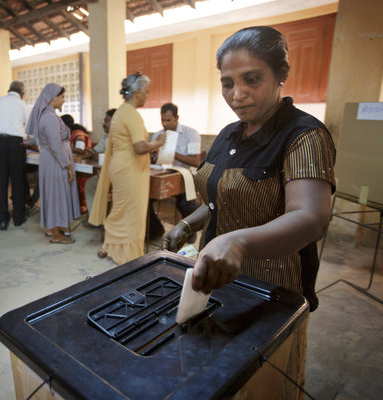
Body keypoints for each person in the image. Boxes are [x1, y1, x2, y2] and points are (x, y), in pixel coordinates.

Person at [162, 26, 336, 397]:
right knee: (220, 377)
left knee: (264, 379)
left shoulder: (304, 135)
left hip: (273, 285)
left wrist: (238, 243)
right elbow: (219, 199)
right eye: (227, 83)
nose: (237, 94)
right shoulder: (228, 134)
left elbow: (311, 218)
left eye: (251, 80)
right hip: (220, 280)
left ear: (280, 75)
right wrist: (187, 224)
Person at [88, 73, 166, 264]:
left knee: (120, 209)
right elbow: (140, 147)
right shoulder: (131, 114)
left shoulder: (120, 112)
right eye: (146, 91)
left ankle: (109, 245)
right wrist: (158, 142)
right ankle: (128, 255)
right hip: (129, 168)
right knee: (132, 213)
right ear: (138, 91)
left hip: (121, 166)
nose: (147, 96)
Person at [26, 83, 79, 244]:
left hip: (52, 160)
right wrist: (67, 165)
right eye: (62, 97)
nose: (63, 100)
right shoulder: (49, 117)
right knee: (56, 195)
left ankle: (53, 227)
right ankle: (56, 234)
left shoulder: (48, 115)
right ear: (53, 97)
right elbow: (55, 145)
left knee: (53, 193)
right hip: (55, 162)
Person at [148, 102, 202, 242]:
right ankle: (156, 229)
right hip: (164, 175)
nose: (165, 124)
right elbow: (153, 162)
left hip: (185, 177)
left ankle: (189, 234)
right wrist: (153, 155)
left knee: (186, 203)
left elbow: (196, 161)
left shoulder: (191, 134)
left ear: (177, 118)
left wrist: (171, 152)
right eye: (163, 120)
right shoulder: (158, 135)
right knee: (144, 198)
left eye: (168, 120)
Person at [0, 81, 28, 231]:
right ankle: (18, 217)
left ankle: (2, 220)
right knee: (17, 180)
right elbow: (29, 127)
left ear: (9, 90)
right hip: (15, 144)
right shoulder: (22, 105)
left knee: (0, 181)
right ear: (22, 93)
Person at [81, 108, 115, 225]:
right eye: (104, 121)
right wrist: (90, 153)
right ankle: (94, 218)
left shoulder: (121, 137)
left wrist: (101, 155)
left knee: (96, 185)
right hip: (106, 174)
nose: (104, 123)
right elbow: (96, 150)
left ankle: (103, 219)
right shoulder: (106, 136)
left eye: (107, 121)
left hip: (118, 176)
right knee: (90, 184)